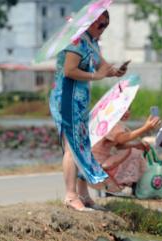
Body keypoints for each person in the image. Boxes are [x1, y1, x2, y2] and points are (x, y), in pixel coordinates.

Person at [49, 11, 126, 211]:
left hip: (80, 101)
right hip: (66, 99)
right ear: (90, 23)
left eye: (106, 25)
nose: (103, 29)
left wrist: (115, 71)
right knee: (72, 146)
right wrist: (97, 76)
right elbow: (69, 70)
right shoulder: (76, 41)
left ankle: (83, 194)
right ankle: (70, 195)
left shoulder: (91, 42)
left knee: (83, 144)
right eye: (100, 25)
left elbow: (103, 66)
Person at [92, 111, 161, 195]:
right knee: (134, 153)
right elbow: (121, 139)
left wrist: (136, 145)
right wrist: (145, 128)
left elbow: (119, 145)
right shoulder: (113, 124)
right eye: (124, 109)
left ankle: (113, 185)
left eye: (129, 108)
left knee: (132, 150)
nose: (127, 112)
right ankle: (115, 185)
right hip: (99, 163)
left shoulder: (107, 121)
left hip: (94, 160)